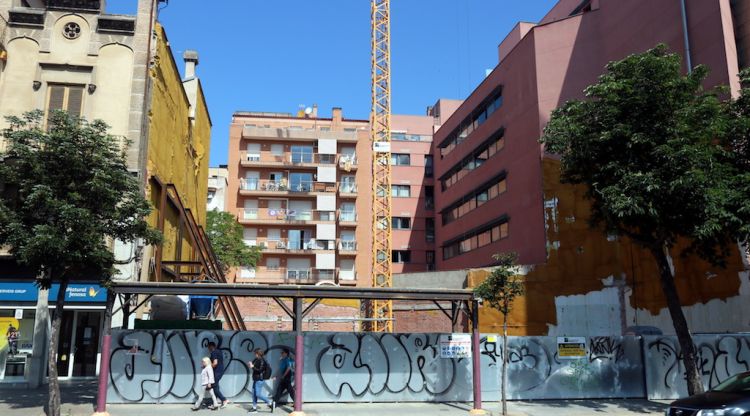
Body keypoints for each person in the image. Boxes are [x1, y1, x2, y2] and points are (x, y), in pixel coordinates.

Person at [247, 348, 273, 413]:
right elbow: (254, 367)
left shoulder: (262, 361)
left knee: (258, 394)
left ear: (258, 354)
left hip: (259, 379)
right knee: (254, 394)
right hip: (255, 379)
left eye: (255, 353)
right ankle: (254, 408)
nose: (254, 355)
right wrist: (251, 364)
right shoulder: (257, 360)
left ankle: (270, 402)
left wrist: (252, 367)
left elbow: (260, 370)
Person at [207, 342, 228, 408]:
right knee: (216, 386)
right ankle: (215, 403)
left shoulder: (213, 352)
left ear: (211, 346)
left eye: (208, 347)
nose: (208, 349)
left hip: (217, 372)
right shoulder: (219, 351)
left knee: (214, 386)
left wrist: (209, 367)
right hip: (220, 371)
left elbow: (215, 363)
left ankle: (224, 400)